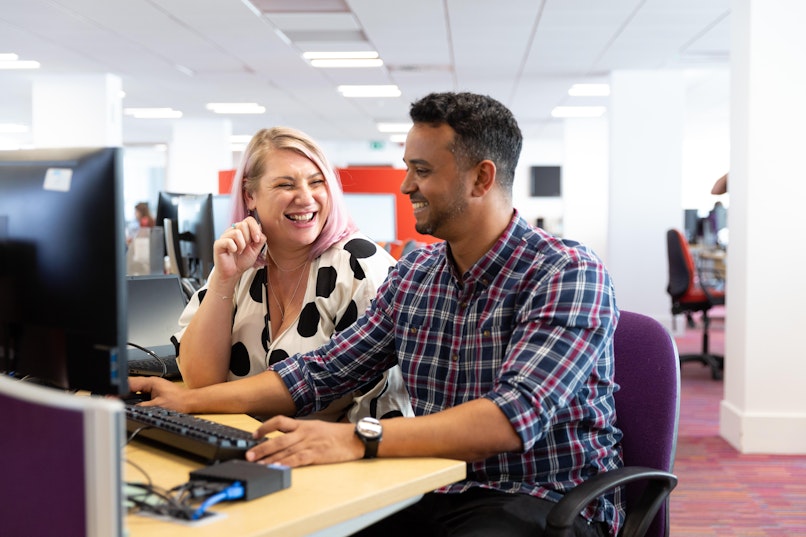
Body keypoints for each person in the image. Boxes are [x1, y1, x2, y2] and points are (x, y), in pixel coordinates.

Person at [130, 93, 623, 537]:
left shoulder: (567, 273)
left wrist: (358, 438)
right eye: (408, 166)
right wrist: (191, 403)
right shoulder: (417, 274)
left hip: (544, 497)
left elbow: (511, 419)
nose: (406, 184)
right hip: (434, 485)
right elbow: (319, 372)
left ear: (482, 178)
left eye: (422, 170)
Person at [171, 126, 412, 422]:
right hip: (248, 445)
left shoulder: (359, 266)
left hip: (335, 457)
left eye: (316, 182)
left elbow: (378, 409)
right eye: (286, 185)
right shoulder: (244, 263)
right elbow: (200, 382)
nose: (306, 197)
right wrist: (224, 279)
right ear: (250, 195)